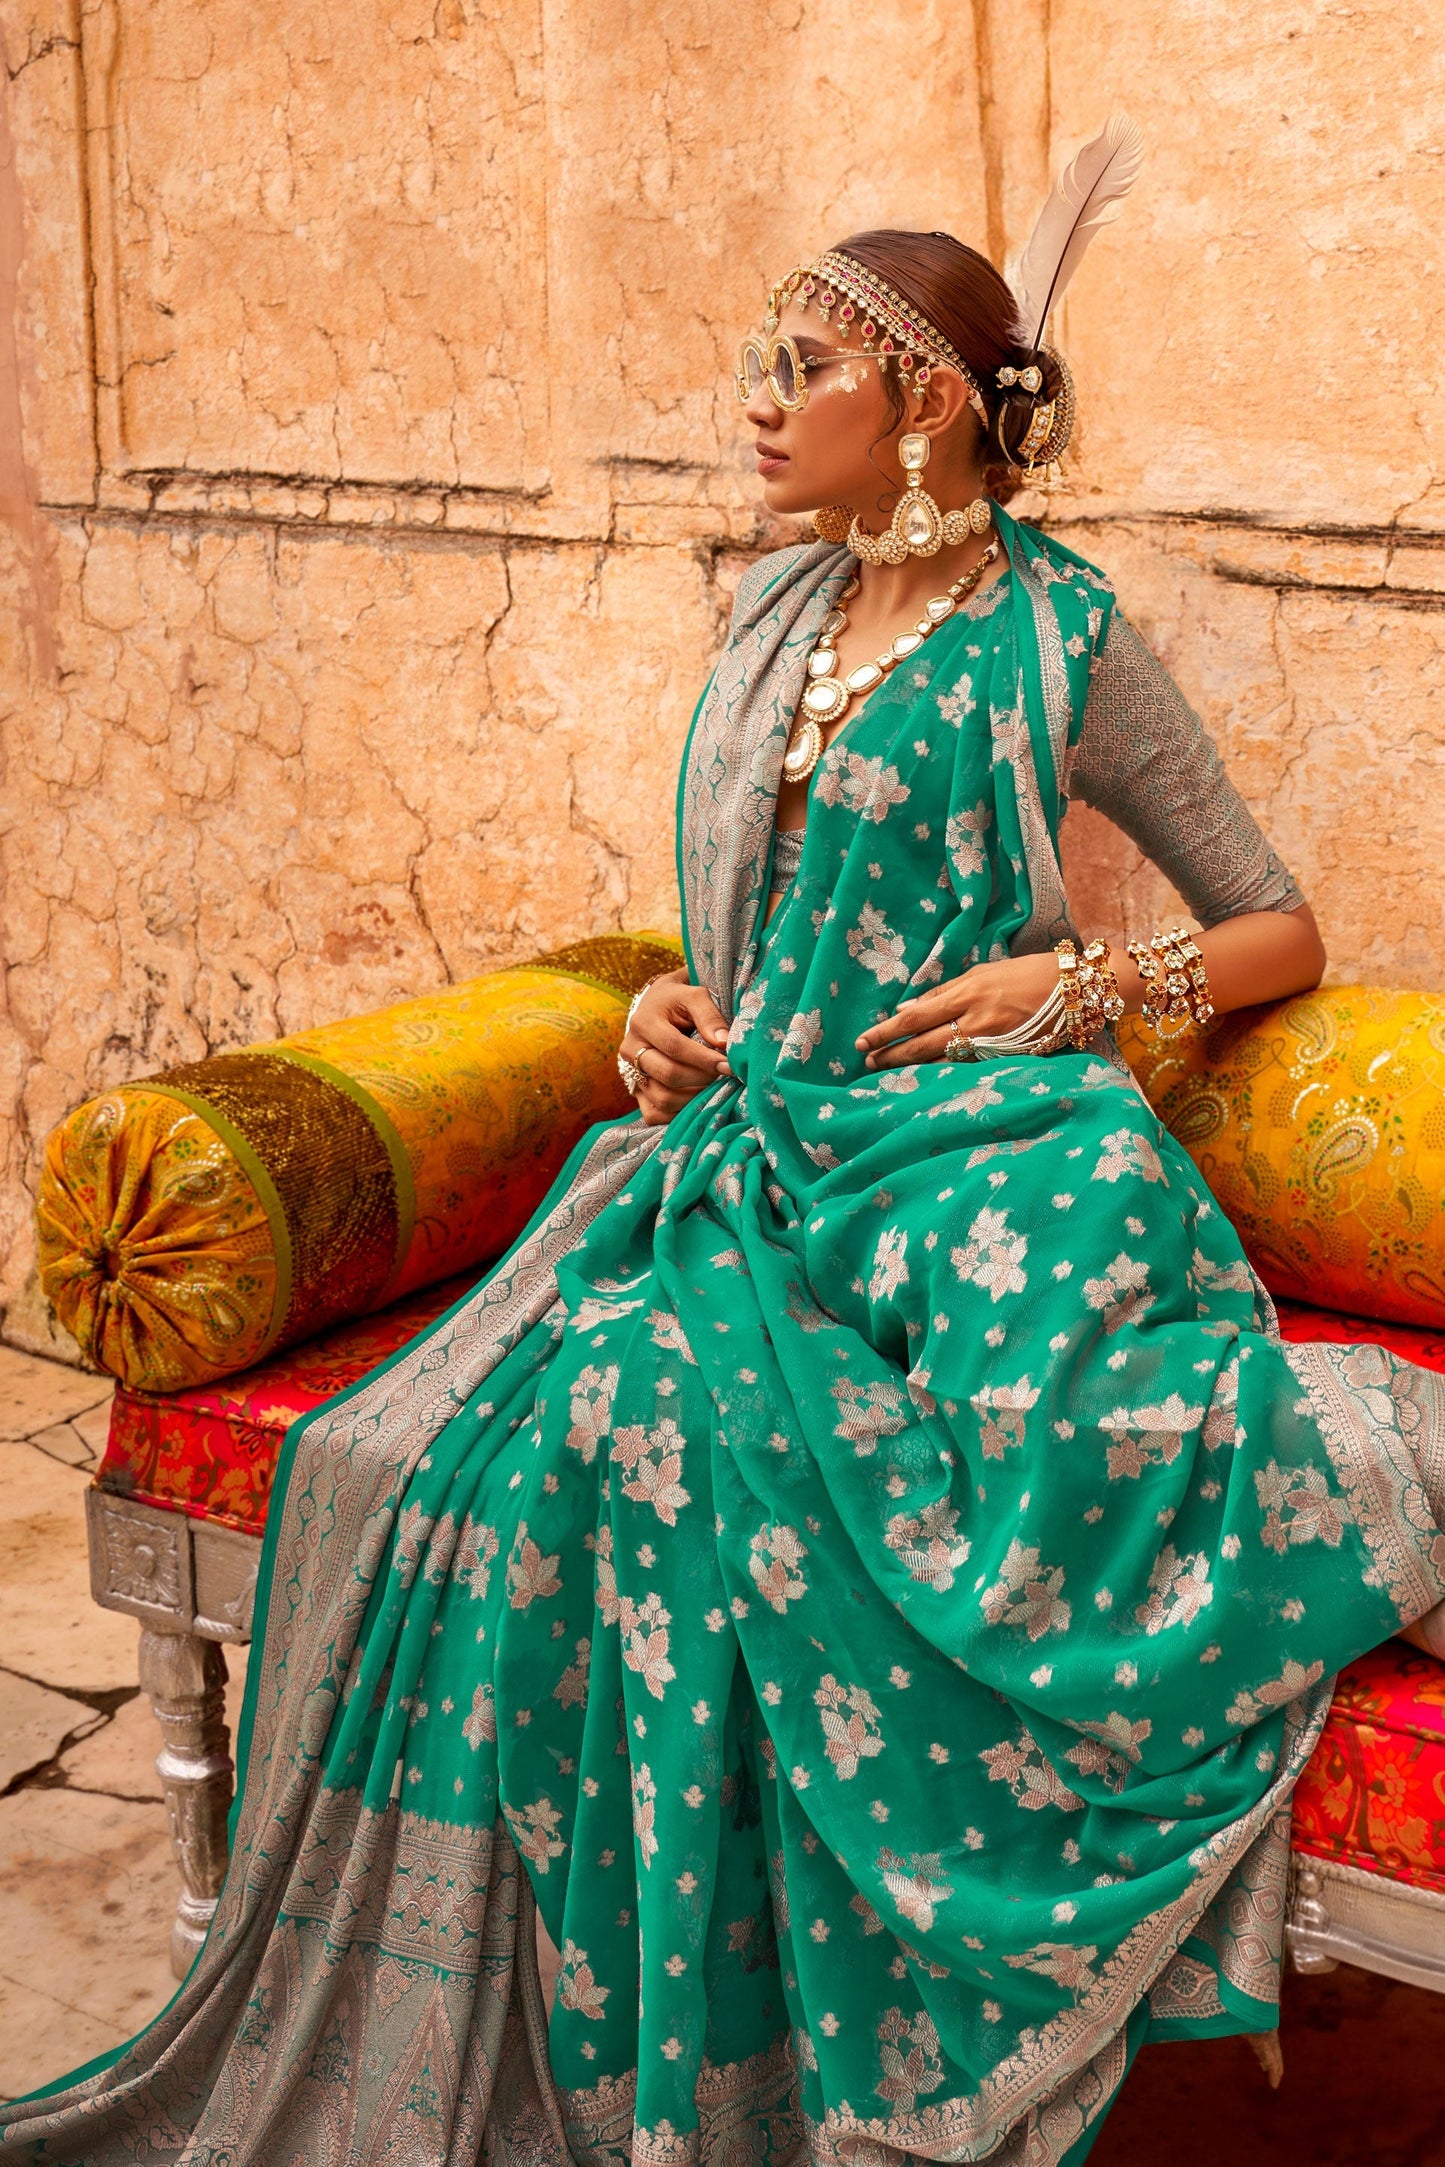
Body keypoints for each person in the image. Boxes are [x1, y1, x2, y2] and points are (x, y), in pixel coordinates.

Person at [7, 124, 1445, 2167]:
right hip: (753, 1148)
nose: (760, 406)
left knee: (939, 1445)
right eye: (766, 366)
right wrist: (660, 1014)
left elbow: (1272, 926)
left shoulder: (1063, 638)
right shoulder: (773, 616)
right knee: (565, 1433)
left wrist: (1070, 988)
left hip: (989, 1161)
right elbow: (746, 929)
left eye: (806, 369)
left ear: (924, 404)